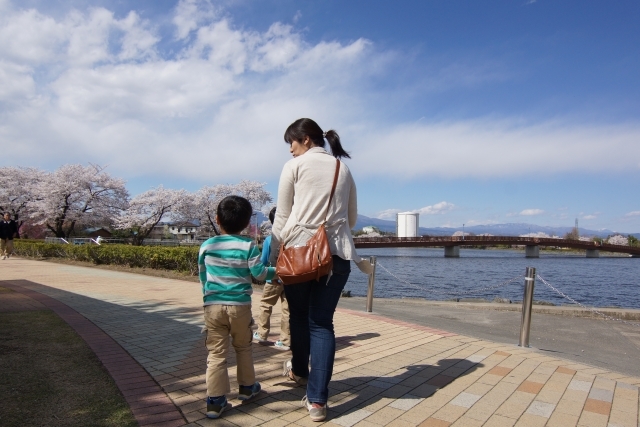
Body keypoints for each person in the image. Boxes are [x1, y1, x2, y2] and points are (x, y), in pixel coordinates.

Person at [270, 118, 372, 422]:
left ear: (305, 139)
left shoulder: (294, 167)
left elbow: (282, 217)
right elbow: (351, 219)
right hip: (337, 254)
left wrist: (275, 255)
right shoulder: (343, 168)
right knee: (322, 324)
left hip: (299, 252)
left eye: (291, 142)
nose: (290, 149)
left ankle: (300, 371)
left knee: (299, 317)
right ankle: (317, 402)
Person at [198, 195, 276, 419]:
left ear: (217, 219)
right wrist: (276, 272)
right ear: (246, 225)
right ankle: (247, 387)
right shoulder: (247, 246)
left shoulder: (206, 245)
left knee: (216, 353)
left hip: (212, 306)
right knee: (243, 347)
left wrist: (208, 298)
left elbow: (204, 278)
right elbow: (259, 274)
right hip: (239, 306)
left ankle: (215, 401)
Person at [253, 207, 291, 350]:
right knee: (287, 310)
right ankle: (285, 340)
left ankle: (262, 333)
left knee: (265, 305)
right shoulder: (292, 239)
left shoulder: (270, 239)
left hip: (273, 279)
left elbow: (263, 262)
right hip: (290, 280)